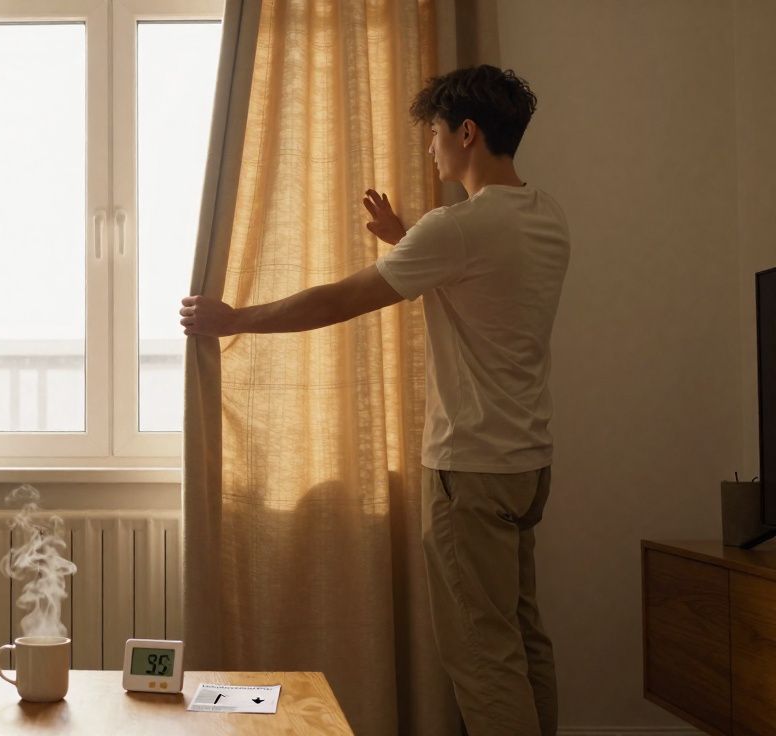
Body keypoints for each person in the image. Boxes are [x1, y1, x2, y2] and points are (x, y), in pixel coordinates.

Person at [180, 65, 568, 736]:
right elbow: (480, 268)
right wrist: (405, 237)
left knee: (483, 656)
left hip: (469, 472)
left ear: (467, 133)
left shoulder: (455, 229)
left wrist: (236, 318)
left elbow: (338, 300)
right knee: (522, 637)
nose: (431, 148)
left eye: (436, 134)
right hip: (527, 467)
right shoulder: (545, 218)